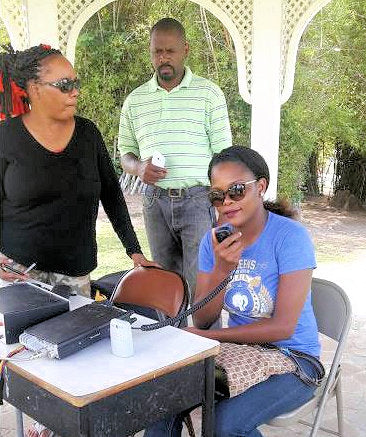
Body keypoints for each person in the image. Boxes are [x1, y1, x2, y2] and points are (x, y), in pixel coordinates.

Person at [0, 44, 156, 437]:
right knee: (27, 372)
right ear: (33, 90)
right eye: (64, 84)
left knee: (73, 372)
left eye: (76, 82)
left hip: (75, 277)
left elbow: (112, 194)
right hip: (16, 278)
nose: (75, 91)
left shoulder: (87, 134)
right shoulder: (5, 138)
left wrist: (134, 251)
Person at [144, 145, 321, 437]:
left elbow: (283, 327)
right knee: (162, 399)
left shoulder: (290, 237)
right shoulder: (212, 242)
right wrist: (222, 270)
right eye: (217, 195)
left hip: (295, 361)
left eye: (237, 190)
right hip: (241, 354)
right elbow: (201, 318)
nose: (226, 201)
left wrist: (210, 338)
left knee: (224, 424)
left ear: (260, 187)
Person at [118, 18, 232, 299]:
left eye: (170, 51)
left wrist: (222, 207)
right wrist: (139, 167)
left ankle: (209, 342)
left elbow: (224, 159)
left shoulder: (209, 94)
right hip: (154, 202)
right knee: (166, 289)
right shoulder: (136, 100)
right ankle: (171, 341)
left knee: (202, 287)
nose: (163, 58)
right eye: (157, 51)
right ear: (151, 53)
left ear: (185, 50)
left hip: (198, 201)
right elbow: (125, 155)